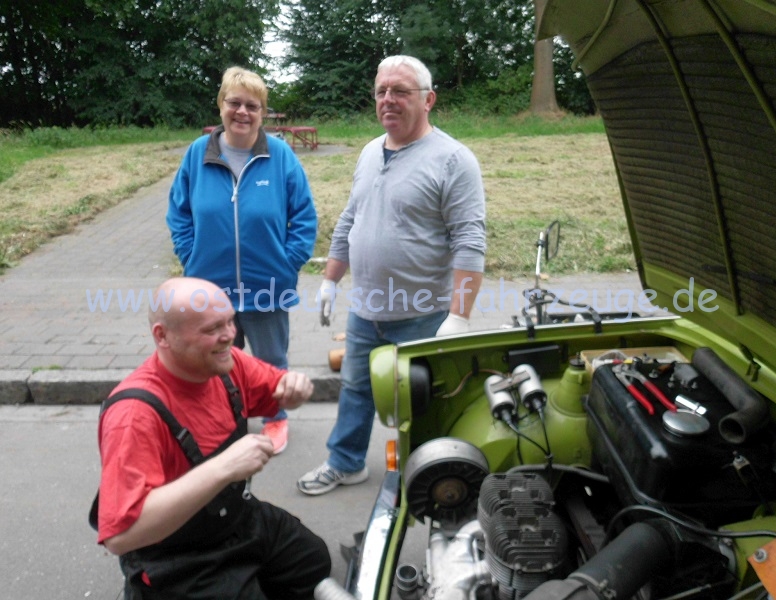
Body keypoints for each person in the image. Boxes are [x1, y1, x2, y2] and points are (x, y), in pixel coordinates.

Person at [297, 55, 486, 496]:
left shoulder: (454, 160)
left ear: (428, 99)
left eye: (400, 91)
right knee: (356, 390)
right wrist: (330, 280)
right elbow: (350, 220)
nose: (388, 100)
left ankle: (423, 471)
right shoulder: (368, 151)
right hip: (366, 311)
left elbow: (470, 242)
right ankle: (345, 462)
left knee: (422, 400)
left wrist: (459, 317)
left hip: (424, 314)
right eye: (382, 91)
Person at [92, 277, 331, 599]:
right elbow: (121, 536)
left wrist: (296, 389)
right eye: (211, 329)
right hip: (176, 553)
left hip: (238, 519)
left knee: (312, 563)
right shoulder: (133, 415)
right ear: (163, 336)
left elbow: (280, 391)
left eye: (231, 321)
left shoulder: (227, 364)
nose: (230, 335)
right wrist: (224, 468)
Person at [167, 66, 317, 455]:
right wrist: (189, 255)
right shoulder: (197, 155)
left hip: (268, 286)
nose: (242, 112)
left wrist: (289, 262)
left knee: (271, 361)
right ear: (221, 106)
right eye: (234, 102)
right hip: (209, 291)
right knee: (211, 362)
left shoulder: (280, 155)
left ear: (262, 113)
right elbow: (179, 212)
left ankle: (275, 419)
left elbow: (303, 215)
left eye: (252, 105)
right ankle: (218, 419)